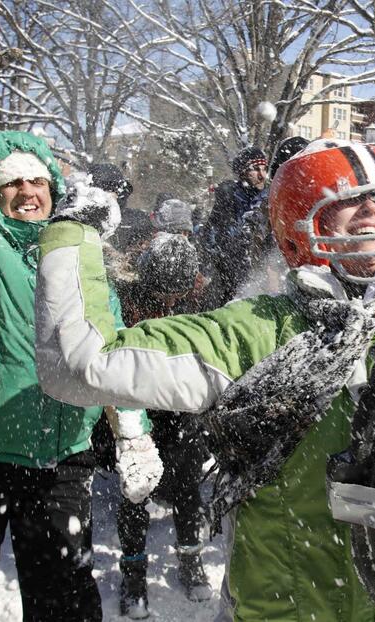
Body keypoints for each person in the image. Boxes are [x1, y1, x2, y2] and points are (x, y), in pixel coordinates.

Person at [33, 139, 375, 622]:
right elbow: (81, 364)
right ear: (303, 227)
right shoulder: (259, 330)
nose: (373, 209)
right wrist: (72, 232)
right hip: (289, 606)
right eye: (348, 198)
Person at [0, 8, 160, 620]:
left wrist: (135, 436)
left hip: (59, 461)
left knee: (67, 606)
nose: (28, 192)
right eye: (13, 183)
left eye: (38, 182)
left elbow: (111, 348)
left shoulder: (77, 251)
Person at [113, 233, 213, 618]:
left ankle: (191, 559)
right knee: (135, 488)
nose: (171, 301)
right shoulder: (127, 294)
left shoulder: (202, 291)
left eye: (178, 293)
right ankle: (133, 573)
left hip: (182, 403)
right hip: (136, 400)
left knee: (188, 486)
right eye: (163, 294)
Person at [201, 146, 270, 308]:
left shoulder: (270, 196)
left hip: (263, 274)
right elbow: (211, 235)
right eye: (255, 169)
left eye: (264, 169)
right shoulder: (229, 197)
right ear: (243, 172)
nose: (262, 175)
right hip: (229, 276)